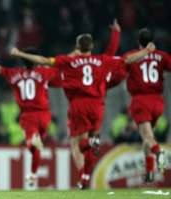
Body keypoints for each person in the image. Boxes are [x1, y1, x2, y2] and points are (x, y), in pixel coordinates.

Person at [11, 35, 155, 189]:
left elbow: (44, 61)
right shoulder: (102, 60)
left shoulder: (69, 61)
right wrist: (146, 51)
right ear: (92, 46)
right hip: (98, 105)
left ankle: (85, 164)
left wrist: (20, 54)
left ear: (77, 47)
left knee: (76, 143)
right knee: (93, 139)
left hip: (79, 104)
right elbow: (128, 59)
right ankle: (85, 177)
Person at [0, 48, 59, 187]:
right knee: (39, 146)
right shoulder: (44, 72)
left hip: (28, 115)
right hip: (45, 114)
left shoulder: (15, 73)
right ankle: (33, 174)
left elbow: (0, 69)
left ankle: (31, 142)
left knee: (32, 145)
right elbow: (60, 66)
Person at [123, 28, 171, 182]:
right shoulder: (162, 56)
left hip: (141, 101)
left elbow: (125, 61)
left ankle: (159, 154)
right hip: (157, 101)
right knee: (148, 139)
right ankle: (149, 172)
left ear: (138, 42)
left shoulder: (133, 55)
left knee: (148, 137)